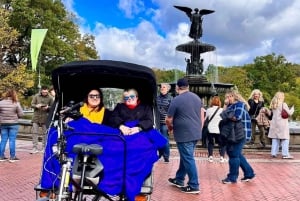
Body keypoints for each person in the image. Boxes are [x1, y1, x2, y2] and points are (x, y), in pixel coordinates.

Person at [166, 78, 202, 194]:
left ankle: (194, 185)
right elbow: (201, 114)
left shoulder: (176, 100)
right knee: (185, 156)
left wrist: (170, 127)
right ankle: (179, 179)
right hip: (195, 132)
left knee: (188, 158)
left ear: (177, 87)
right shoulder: (196, 98)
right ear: (187, 87)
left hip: (183, 133)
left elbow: (168, 119)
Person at [220, 90, 255, 184]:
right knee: (237, 154)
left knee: (234, 155)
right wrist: (225, 105)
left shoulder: (239, 105)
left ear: (234, 96)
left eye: (229, 97)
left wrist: (227, 114)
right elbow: (223, 116)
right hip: (232, 134)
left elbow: (236, 117)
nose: (228, 99)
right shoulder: (230, 106)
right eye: (226, 97)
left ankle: (232, 177)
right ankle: (249, 173)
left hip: (240, 133)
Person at [268, 92, 294, 159]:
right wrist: (292, 109)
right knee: (285, 139)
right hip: (282, 124)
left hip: (274, 124)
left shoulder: (273, 104)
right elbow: (289, 113)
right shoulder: (283, 104)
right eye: (283, 96)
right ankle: (285, 154)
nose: (284, 97)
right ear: (281, 97)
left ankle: (273, 153)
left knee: (275, 138)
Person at [0, 89, 24, 162]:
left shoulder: (1, 103)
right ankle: (12, 157)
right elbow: (21, 114)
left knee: (3, 140)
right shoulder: (16, 103)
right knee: (12, 140)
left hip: (3, 124)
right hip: (14, 124)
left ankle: (1, 156)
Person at [30, 85, 54, 154]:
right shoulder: (36, 96)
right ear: (41, 91)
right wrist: (36, 106)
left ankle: (44, 147)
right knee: (34, 133)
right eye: (43, 92)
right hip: (36, 117)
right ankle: (35, 147)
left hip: (45, 118)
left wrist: (48, 107)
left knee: (45, 134)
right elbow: (32, 104)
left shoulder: (50, 97)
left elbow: (53, 107)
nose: (44, 93)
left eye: (46, 92)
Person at [205, 96, 226, 163]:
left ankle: (210, 157)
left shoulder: (208, 110)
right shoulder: (222, 110)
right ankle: (222, 157)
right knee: (222, 144)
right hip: (219, 129)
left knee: (210, 143)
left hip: (210, 129)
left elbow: (206, 119)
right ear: (219, 102)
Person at [157, 83, 173, 163]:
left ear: (168, 89)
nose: (161, 88)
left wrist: (170, 124)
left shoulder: (170, 99)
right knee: (157, 138)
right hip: (156, 122)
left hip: (165, 122)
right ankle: (160, 154)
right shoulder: (156, 98)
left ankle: (166, 156)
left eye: (164, 87)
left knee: (165, 139)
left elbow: (172, 112)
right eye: (161, 87)